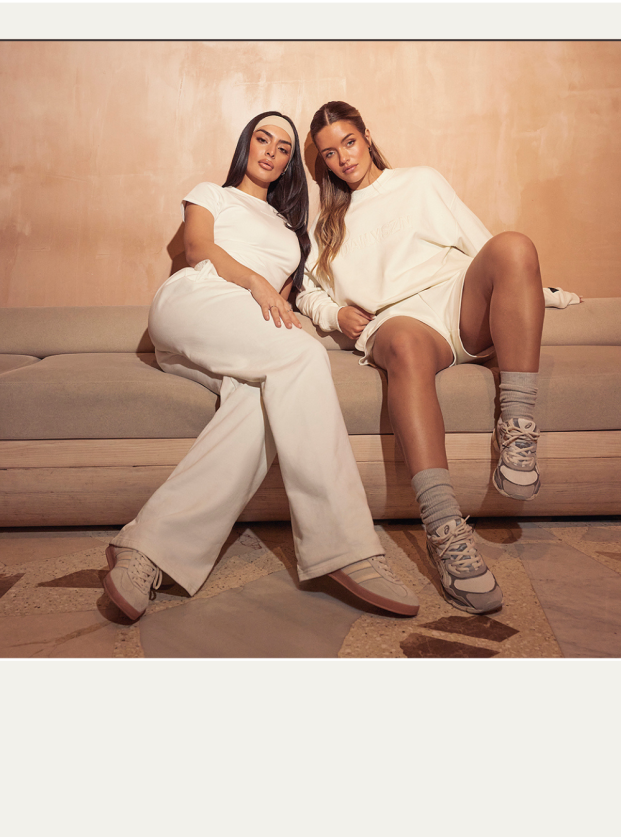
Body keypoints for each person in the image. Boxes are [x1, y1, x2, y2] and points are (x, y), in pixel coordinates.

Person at [103, 110, 419, 622]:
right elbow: (198, 249)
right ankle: (346, 547)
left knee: (259, 401)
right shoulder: (212, 193)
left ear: (290, 163)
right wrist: (255, 283)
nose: (271, 151)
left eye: (284, 148)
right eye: (262, 139)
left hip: (242, 331)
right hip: (196, 302)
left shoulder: (292, 231)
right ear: (246, 145)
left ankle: (148, 550)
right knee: (303, 353)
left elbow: (286, 303)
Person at [299, 100, 579, 615]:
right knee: (404, 344)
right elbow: (306, 292)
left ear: (366, 136)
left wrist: (539, 292)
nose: (343, 158)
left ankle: (517, 428)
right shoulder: (326, 226)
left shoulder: (421, 182)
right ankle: (445, 529)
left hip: (455, 300)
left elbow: (485, 248)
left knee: (515, 243)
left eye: (349, 142)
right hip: (401, 321)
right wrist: (333, 313)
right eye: (329, 153)